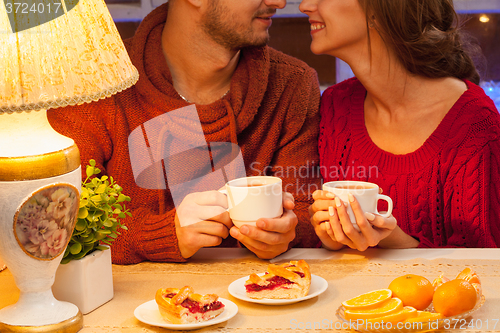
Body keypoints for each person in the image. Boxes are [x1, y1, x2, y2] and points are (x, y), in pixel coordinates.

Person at [48, 0, 322, 264]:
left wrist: (288, 232)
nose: (279, 2)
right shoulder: (94, 83)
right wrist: (162, 233)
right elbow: (57, 222)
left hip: (258, 297)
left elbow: (305, 212)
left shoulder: (293, 84)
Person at [301, 0, 500, 250]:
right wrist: (331, 238)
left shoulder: (473, 121)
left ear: (378, 11)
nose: (305, 5)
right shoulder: (334, 105)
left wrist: (396, 242)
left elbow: (483, 267)